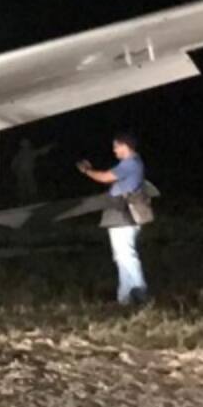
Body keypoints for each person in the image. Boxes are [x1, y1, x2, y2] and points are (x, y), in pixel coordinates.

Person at [77, 131, 149, 306]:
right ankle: (124, 298)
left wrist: (86, 170)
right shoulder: (132, 163)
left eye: (116, 146)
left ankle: (139, 289)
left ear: (125, 146)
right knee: (121, 256)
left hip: (123, 214)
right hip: (120, 214)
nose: (114, 150)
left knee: (126, 254)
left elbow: (104, 177)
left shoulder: (130, 163)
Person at [10, 137, 54, 203]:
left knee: (29, 184)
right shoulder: (21, 153)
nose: (26, 145)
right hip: (21, 172)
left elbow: (41, 151)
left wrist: (50, 146)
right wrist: (13, 169)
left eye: (27, 144)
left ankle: (31, 197)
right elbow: (15, 161)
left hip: (27, 171)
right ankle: (24, 198)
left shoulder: (30, 152)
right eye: (25, 144)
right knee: (23, 185)